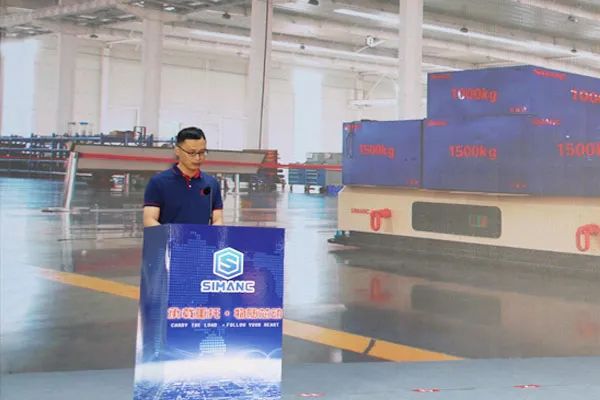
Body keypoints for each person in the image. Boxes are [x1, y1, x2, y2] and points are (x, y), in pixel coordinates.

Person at [143, 127, 223, 227]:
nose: (198, 158)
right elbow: (149, 220)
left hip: (201, 237)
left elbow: (218, 220)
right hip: (170, 237)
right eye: (191, 153)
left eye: (202, 152)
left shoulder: (211, 184)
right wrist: (172, 236)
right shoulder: (158, 183)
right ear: (177, 151)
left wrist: (211, 234)